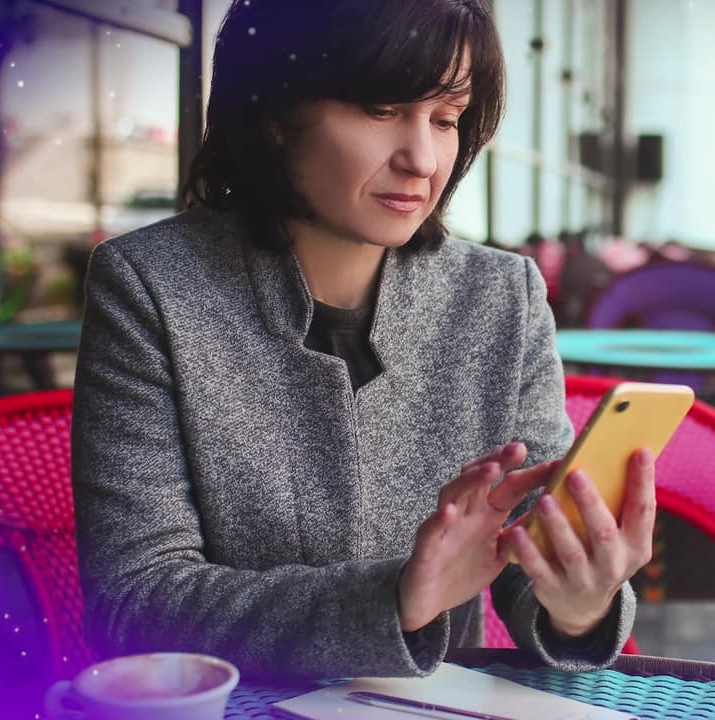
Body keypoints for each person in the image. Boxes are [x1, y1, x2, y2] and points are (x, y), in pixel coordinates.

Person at [71, 0, 651, 681]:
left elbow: (532, 550)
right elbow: (133, 602)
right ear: (274, 114)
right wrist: (394, 600)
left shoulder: (502, 295)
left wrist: (578, 604)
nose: (421, 159)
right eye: (381, 111)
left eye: (446, 118)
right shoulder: (150, 285)